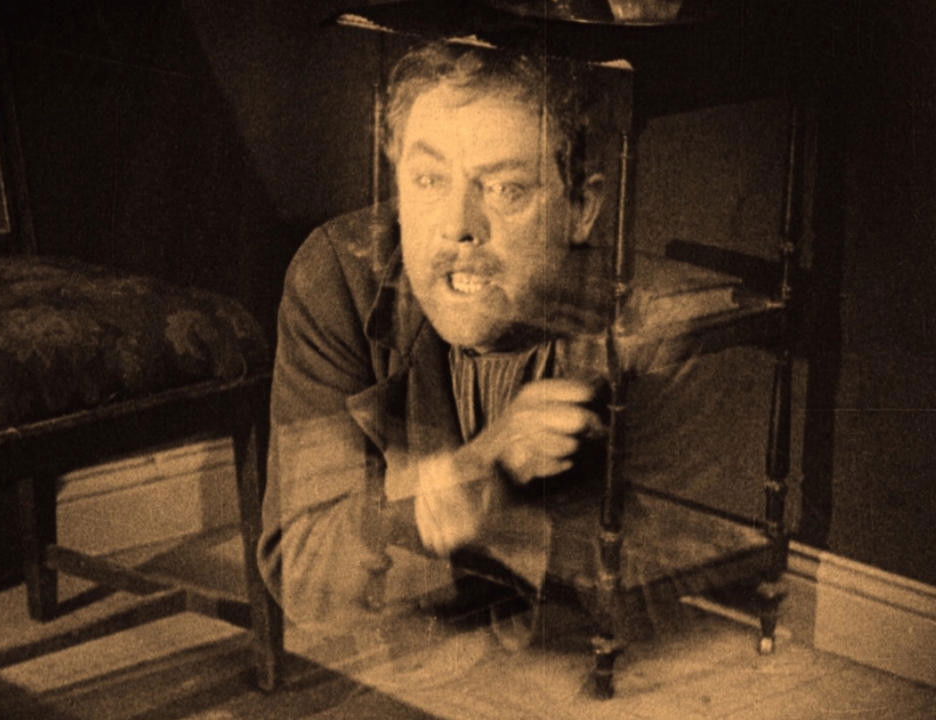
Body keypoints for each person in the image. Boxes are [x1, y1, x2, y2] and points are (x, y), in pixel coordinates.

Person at [258, 40, 713, 649]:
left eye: (504, 189)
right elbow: (301, 574)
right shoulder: (340, 276)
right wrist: (473, 471)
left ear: (581, 209)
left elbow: (675, 606)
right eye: (428, 180)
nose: (457, 226)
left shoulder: (647, 324)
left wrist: (504, 518)